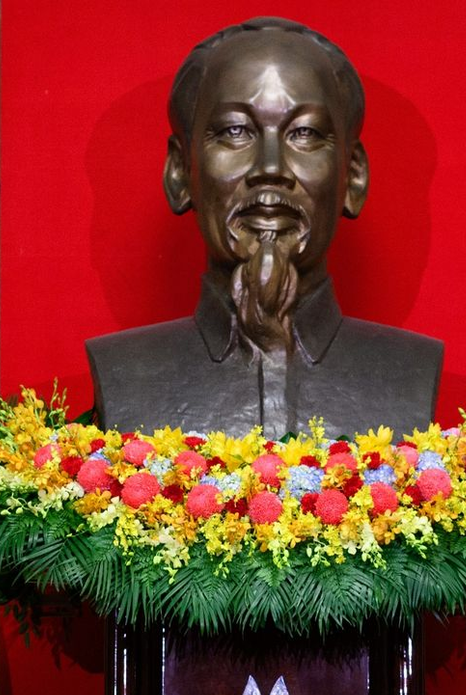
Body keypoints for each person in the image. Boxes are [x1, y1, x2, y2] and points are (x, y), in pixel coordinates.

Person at [86, 16, 443, 438]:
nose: (270, 168)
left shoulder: (410, 371)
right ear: (180, 172)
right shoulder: (124, 372)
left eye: (304, 133)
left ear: (353, 176)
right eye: (235, 131)